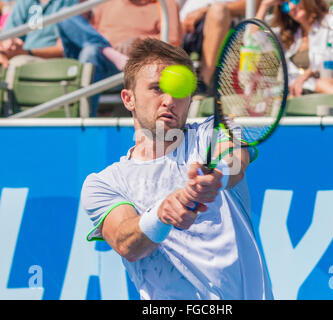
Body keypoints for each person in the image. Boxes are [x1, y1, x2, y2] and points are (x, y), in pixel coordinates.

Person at [81, 38, 273, 300]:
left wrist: (217, 175)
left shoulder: (213, 132)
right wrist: (161, 214)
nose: (170, 100)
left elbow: (234, 161)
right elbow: (126, 243)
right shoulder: (105, 183)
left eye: (179, 90)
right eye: (157, 89)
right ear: (129, 98)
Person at [57, 0, 182, 116]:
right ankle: (109, 51)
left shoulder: (165, 4)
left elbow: (171, 43)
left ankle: (83, 118)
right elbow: (88, 34)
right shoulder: (105, 3)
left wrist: (139, 42)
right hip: (103, 62)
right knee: (65, 14)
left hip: (136, 68)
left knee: (90, 52)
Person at [255, 0, 333, 99]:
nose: (292, 7)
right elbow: (252, 41)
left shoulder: (331, 23)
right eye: (285, 6)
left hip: (330, 90)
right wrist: (264, 5)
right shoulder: (287, 33)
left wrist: (312, 73)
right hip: (298, 94)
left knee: (322, 84)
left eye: (295, 0)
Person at [179, 0, 247, 94]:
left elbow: (252, 4)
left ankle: (202, 85)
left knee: (218, 11)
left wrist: (204, 10)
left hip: (218, 22)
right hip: (182, 23)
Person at [0, 0, 77, 68]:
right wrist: (6, 49)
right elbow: (7, 37)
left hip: (49, 63)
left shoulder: (68, 2)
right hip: (21, 58)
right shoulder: (24, 2)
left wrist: (27, 53)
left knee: (17, 63)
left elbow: (63, 50)